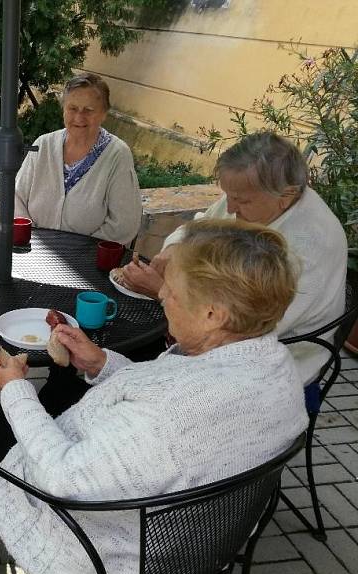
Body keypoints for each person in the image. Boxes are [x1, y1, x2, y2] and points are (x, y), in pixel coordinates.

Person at [0, 219, 308, 574]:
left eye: (174, 287)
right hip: (200, 543)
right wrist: (102, 364)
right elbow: (172, 391)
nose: (162, 292)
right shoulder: (277, 370)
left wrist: (17, 390)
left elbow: (64, 479)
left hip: (107, 561)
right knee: (60, 390)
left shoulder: (170, 416)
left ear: (212, 314)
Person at [121, 131, 347, 386]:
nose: (230, 208)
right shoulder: (258, 200)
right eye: (229, 195)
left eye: (240, 200)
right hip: (218, 329)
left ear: (286, 196)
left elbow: (246, 329)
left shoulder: (309, 245)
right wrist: (174, 248)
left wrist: (163, 292)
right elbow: (202, 225)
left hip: (274, 366)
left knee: (138, 368)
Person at [15, 73, 142, 244]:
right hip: (35, 255)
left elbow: (124, 225)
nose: (79, 117)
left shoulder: (117, 155)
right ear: (64, 109)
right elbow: (16, 198)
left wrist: (79, 253)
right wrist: (31, 241)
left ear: (104, 113)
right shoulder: (43, 144)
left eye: (89, 110)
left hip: (88, 264)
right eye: (72, 108)